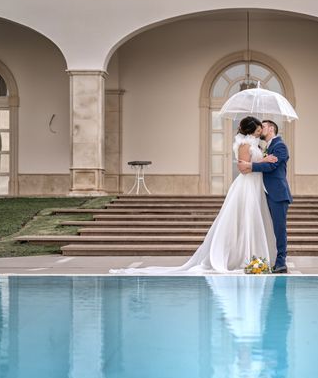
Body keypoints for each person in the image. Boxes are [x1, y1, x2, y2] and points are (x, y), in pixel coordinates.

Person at [110, 116, 278, 274]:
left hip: (256, 186)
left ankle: (255, 255)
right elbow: (243, 168)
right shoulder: (244, 145)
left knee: (254, 220)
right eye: (257, 130)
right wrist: (263, 161)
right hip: (246, 186)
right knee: (245, 219)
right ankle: (242, 256)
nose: (259, 133)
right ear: (250, 131)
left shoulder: (255, 144)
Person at [237, 120, 292, 274]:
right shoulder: (264, 146)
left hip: (278, 194)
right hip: (263, 192)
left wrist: (250, 166)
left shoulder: (280, 145)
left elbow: (271, 166)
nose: (260, 128)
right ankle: (268, 258)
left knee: (279, 229)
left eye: (264, 125)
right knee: (266, 227)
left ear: (271, 128)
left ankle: (281, 262)